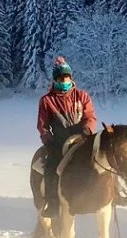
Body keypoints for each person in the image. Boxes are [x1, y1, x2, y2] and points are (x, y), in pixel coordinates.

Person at [36, 55, 97, 215]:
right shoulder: (46, 100)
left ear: (71, 78)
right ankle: (52, 204)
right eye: (61, 78)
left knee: (102, 158)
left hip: (81, 138)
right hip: (59, 141)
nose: (64, 81)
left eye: (66, 77)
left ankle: (114, 195)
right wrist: (47, 139)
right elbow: (42, 124)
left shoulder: (82, 96)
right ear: (55, 79)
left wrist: (86, 130)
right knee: (51, 168)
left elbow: (90, 117)